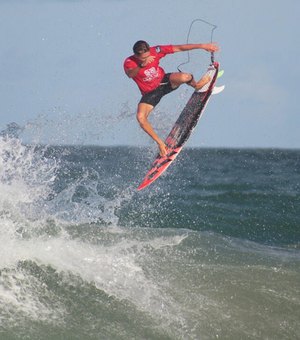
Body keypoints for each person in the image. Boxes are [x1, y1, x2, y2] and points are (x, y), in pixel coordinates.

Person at [123, 40, 220, 157]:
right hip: (150, 94)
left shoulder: (156, 51)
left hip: (165, 82)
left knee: (186, 76)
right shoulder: (130, 62)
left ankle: (197, 86)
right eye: (142, 58)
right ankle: (160, 144)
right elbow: (130, 74)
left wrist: (202, 45)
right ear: (136, 56)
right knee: (141, 118)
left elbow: (179, 48)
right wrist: (141, 65)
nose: (146, 59)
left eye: (147, 56)